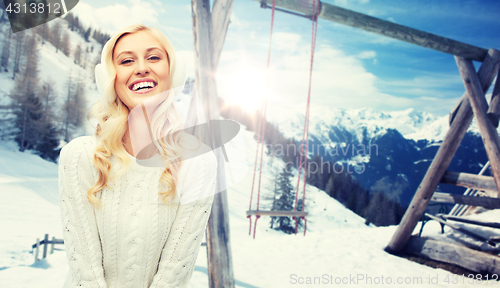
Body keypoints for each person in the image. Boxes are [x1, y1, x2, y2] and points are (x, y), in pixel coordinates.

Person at [58, 24, 217, 288]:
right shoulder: (80, 156)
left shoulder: (198, 163)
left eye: (154, 57)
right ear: (110, 78)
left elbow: (176, 269)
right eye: (127, 60)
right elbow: (84, 266)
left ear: (173, 72)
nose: (141, 68)